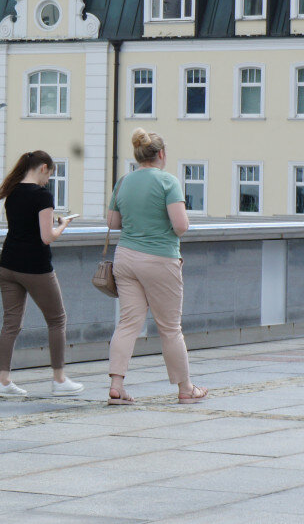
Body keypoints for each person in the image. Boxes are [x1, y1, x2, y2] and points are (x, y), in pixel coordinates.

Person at [106, 128, 207, 404]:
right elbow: (181, 226)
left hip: (125, 258)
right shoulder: (168, 182)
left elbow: (113, 223)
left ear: (139, 155)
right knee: (170, 327)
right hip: (160, 259)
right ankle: (186, 388)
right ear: (161, 154)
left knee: (128, 323)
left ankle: (117, 385)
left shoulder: (124, 181)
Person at [0, 150, 84, 399]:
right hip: (35, 267)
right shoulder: (42, 195)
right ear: (43, 167)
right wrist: (62, 225)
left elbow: (24, 224)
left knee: (11, 324)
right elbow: (46, 237)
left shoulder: (12, 191)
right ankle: (59, 380)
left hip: (8, 265)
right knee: (57, 320)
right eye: (49, 174)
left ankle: (3, 382)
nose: (48, 180)